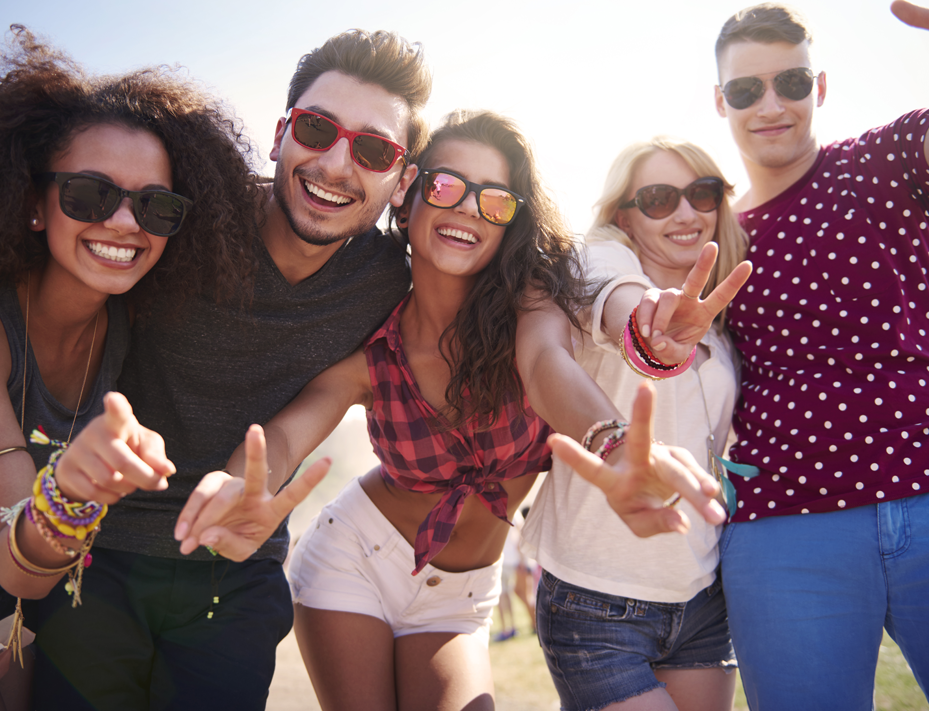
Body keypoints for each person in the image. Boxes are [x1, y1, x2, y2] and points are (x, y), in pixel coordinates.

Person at [176, 111, 735, 711]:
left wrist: (615, 443)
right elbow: (288, 435)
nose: (469, 209)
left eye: (495, 201)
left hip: (460, 596)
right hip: (355, 561)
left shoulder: (534, 303)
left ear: (510, 221)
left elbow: (547, 367)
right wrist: (237, 483)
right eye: (446, 187)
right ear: (410, 193)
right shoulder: (374, 348)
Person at [26, 29, 428, 709]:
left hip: (238, 567)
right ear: (280, 135)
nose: (335, 165)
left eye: (372, 150)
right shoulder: (177, 218)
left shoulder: (390, 280)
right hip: (99, 550)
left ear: (401, 181)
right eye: (316, 128)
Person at [629, 2, 929, 708]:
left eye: (790, 83)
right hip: (786, 531)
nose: (770, 104)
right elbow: (660, 350)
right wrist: (653, 347)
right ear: (720, 101)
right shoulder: (711, 238)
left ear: (818, 87)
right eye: (745, 90)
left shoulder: (890, 161)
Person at [0, 27, 261, 710]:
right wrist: (71, 492)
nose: (124, 222)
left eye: (157, 205)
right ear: (33, 202)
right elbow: (17, 557)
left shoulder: (133, 314)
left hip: (8, 581)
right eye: (89, 195)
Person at [521, 137, 751, 711]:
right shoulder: (597, 264)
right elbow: (615, 300)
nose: (685, 213)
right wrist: (646, 330)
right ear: (623, 215)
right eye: (657, 198)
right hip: (597, 599)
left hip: (701, 596)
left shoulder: (719, 337)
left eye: (701, 194)